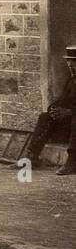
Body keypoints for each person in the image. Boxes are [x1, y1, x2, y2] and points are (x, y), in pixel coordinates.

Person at [23, 45, 76, 175]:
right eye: (69, 62)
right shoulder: (72, 81)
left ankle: (73, 161)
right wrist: (54, 108)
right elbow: (62, 100)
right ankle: (32, 156)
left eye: (74, 62)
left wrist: (69, 113)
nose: (71, 65)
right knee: (45, 116)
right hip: (71, 128)